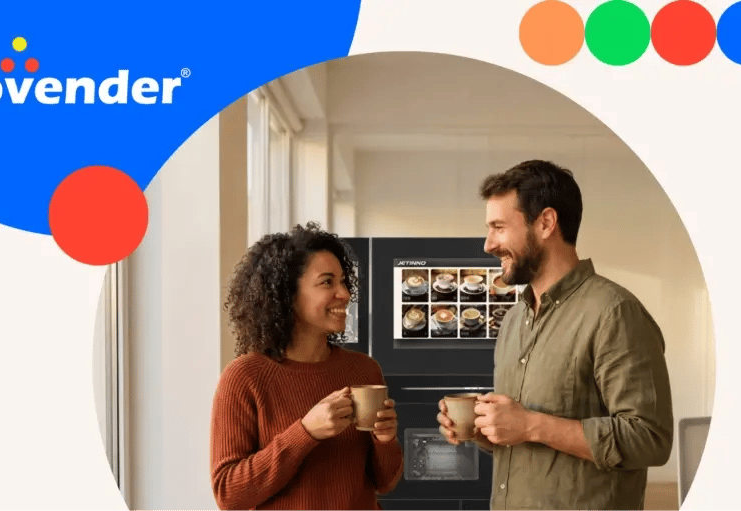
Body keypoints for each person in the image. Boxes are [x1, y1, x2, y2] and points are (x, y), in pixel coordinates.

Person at [436, 160, 674, 510]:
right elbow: (521, 434)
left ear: (546, 223)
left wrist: (532, 425)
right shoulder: (515, 320)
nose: (488, 244)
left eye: (499, 227)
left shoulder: (614, 312)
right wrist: (482, 428)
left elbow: (650, 439)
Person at [211, 222, 403, 511]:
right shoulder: (243, 378)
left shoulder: (364, 371)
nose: (344, 294)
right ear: (287, 294)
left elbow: (384, 482)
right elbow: (229, 494)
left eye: (343, 282)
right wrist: (304, 432)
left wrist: (385, 440)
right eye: (327, 282)